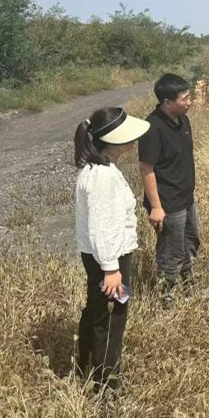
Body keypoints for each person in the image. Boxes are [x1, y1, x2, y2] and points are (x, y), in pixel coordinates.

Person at [74, 106, 150, 392]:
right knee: (111, 319)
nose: (133, 139)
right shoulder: (102, 177)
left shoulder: (99, 169)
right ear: (112, 140)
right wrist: (111, 269)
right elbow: (102, 227)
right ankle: (106, 386)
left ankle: (85, 367)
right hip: (109, 259)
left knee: (97, 311)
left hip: (101, 257)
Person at [138, 73, 200, 303]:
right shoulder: (152, 128)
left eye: (189, 96)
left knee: (191, 242)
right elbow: (146, 168)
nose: (189, 102)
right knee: (171, 251)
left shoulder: (183, 120)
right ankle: (167, 296)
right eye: (184, 98)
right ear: (167, 102)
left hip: (186, 197)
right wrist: (156, 207)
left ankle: (187, 286)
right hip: (167, 202)